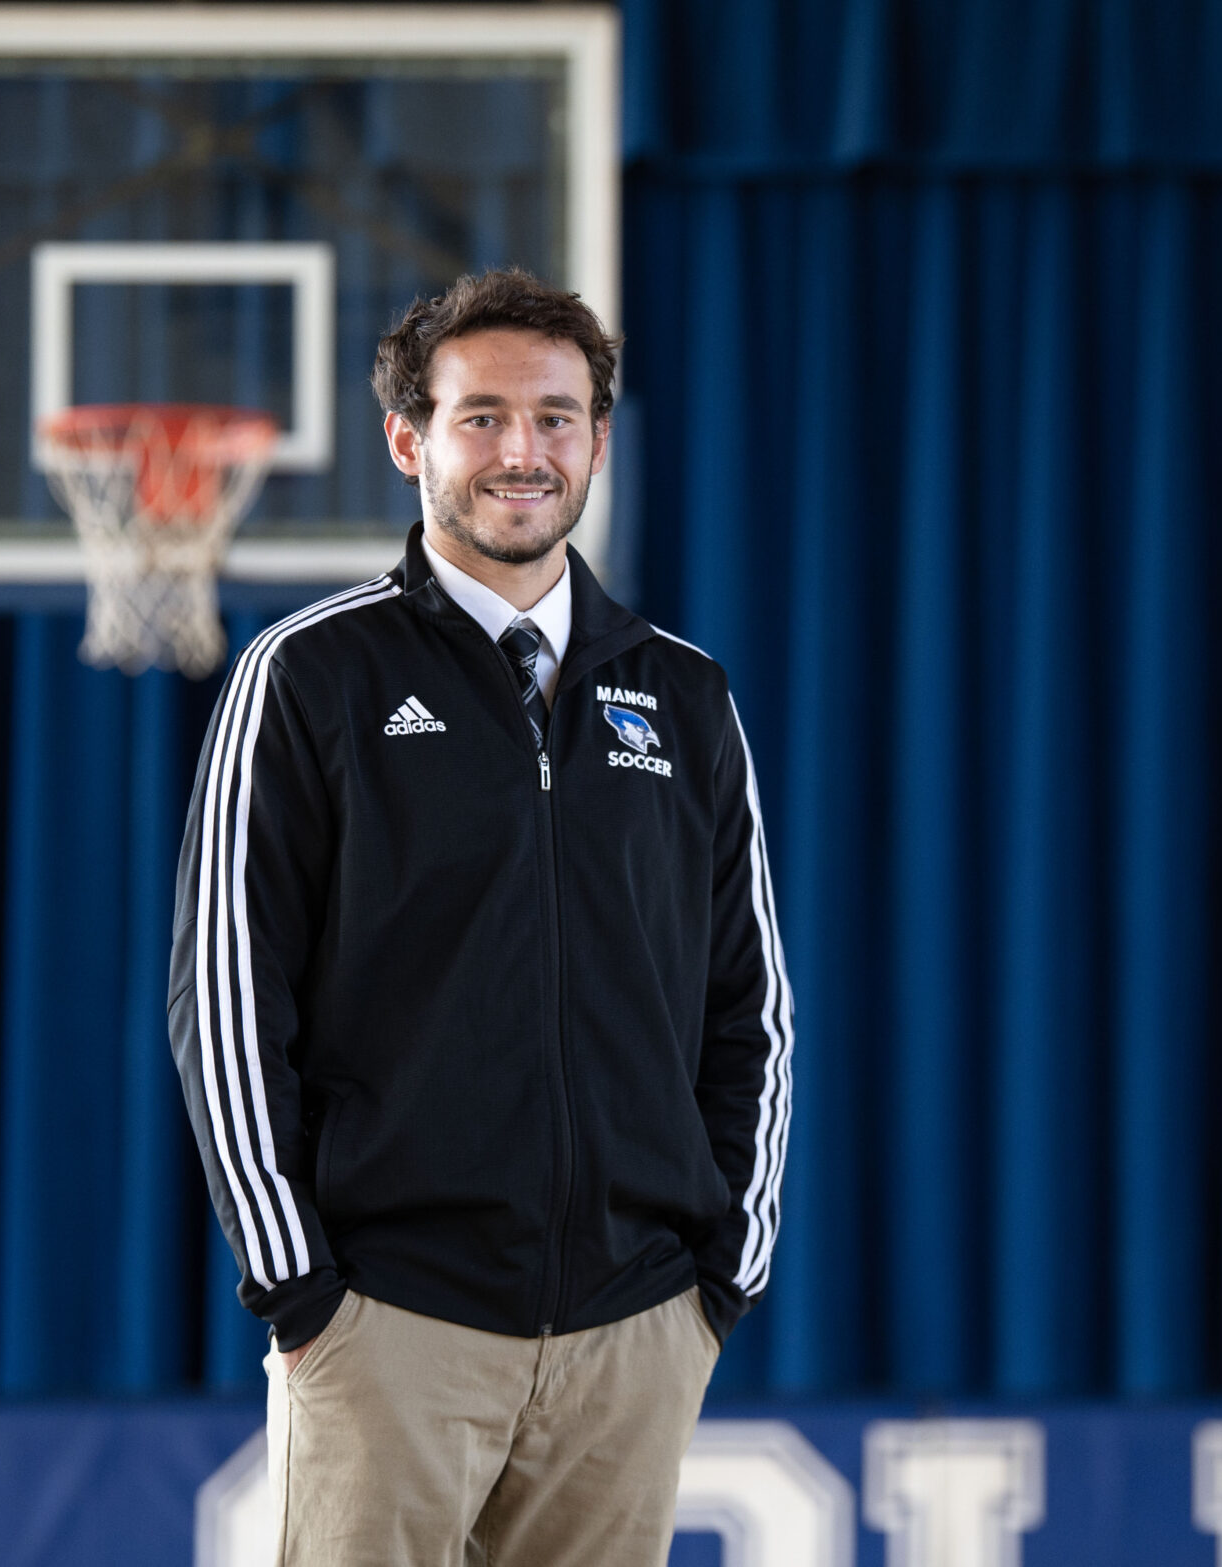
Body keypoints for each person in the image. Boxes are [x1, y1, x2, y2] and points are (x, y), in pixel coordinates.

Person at [167, 267, 793, 1567]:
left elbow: (754, 1004)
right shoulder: (310, 677)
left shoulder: (683, 695)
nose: (525, 452)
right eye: (483, 417)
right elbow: (227, 1000)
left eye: (558, 418)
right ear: (409, 440)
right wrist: (303, 1293)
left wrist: (719, 1276)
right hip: (390, 1326)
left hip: (634, 1334)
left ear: (599, 442)